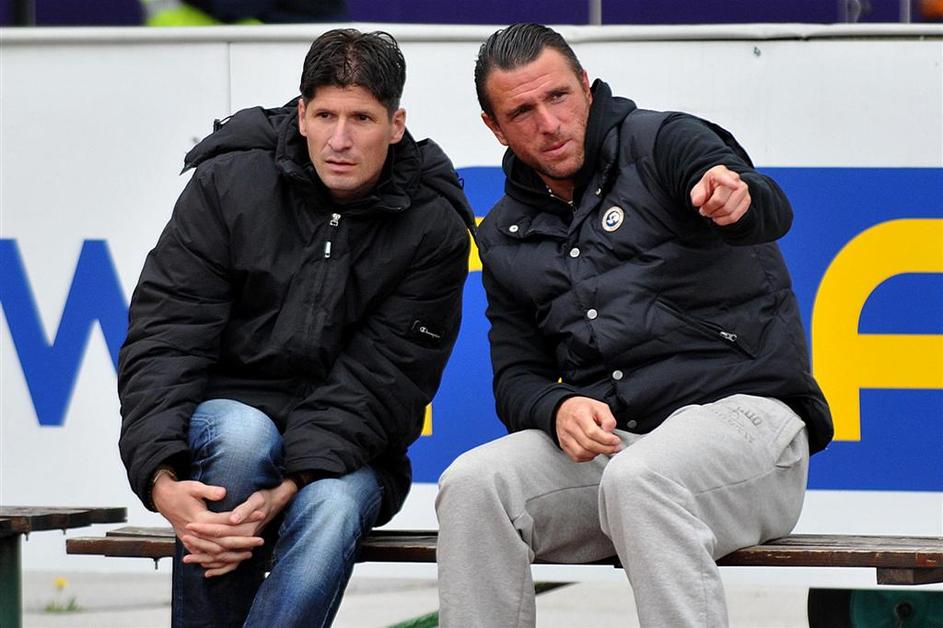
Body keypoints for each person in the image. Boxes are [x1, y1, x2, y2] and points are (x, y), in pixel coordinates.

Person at [436, 23, 833, 628]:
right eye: (522, 112)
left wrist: (738, 198)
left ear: (586, 86)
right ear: (495, 127)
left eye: (558, 96)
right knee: (472, 485)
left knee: (641, 479)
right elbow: (516, 378)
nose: (549, 123)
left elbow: (767, 205)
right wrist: (556, 408)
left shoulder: (663, 140)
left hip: (750, 427)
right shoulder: (504, 233)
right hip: (624, 451)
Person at [118, 28, 473, 628]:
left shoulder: (433, 223)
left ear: (396, 124)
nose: (340, 140)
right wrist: (160, 479)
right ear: (302, 114)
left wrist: (292, 482)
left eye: (362, 118)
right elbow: (166, 334)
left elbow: (384, 381)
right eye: (326, 115)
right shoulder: (229, 181)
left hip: (350, 451)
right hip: (229, 423)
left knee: (331, 506)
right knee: (243, 438)